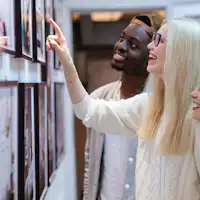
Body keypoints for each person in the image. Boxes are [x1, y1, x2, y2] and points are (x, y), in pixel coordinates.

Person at [46, 17, 200, 200]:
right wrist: (66, 61)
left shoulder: (195, 117)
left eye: (159, 40)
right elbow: (88, 111)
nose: (151, 46)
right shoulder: (148, 106)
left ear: (181, 52)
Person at [82, 14, 163, 200]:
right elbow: (91, 162)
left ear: (151, 57)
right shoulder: (99, 99)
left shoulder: (162, 107)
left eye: (133, 45)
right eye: (121, 38)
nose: (120, 46)